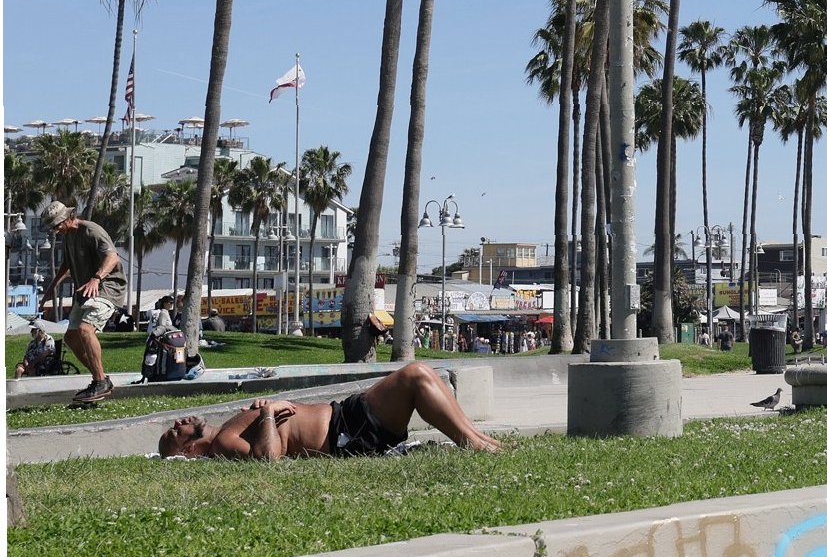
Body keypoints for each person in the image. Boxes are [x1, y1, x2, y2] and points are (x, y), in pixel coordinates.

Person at [157, 362, 501, 460]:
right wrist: (268, 413)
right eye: (175, 431)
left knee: (422, 372)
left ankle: (480, 440)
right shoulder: (221, 444)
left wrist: (262, 412)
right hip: (346, 433)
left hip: (345, 417)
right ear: (188, 450)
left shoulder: (226, 430)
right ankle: (475, 443)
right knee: (415, 375)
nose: (179, 421)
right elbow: (266, 458)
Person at [39, 201, 127, 402]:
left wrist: (96, 278)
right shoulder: (68, 237)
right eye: (53, 228)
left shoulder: (91, 230)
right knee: (71, 338)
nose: (55, 231)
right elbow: (66, 265)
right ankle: (101, 378)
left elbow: (112, 257)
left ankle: (99, 381)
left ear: (69, 218)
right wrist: (50, 290)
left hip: (107, 287)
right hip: (85, 291)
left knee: (85, 330)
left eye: (57, 226)